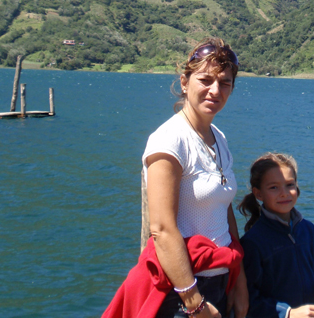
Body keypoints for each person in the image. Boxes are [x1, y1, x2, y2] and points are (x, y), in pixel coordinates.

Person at [103, 38, 248, 318]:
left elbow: (224, 208)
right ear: (185, 82)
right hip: (181, 290)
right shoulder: (169, 141)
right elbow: (162, 229)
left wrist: (237, 279)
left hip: (219, 278)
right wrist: (195, 302)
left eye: (225, 83)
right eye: (205, 80)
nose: (215, 90)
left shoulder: (219, 138)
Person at [238, 153, 314, 318]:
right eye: (274, 187)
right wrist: (287, 313)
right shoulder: (253, 243)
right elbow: (248, 299)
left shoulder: (308, 230)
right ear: (259, 194)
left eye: (289, 184)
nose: (284, 193)